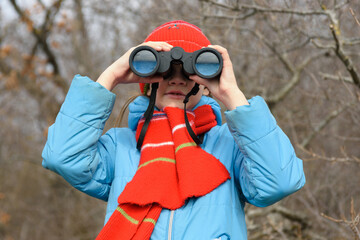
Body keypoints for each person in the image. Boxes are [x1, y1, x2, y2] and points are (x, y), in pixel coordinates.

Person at [42, 20, 305, 240]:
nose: (177, 79)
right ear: (146, 78)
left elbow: (280, 181)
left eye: (190, 71)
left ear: (205, 80)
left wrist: (232, 94)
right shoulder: (120, 146)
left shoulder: (230, 146)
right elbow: (63, 157)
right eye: (164, 69)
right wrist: (110, 77)